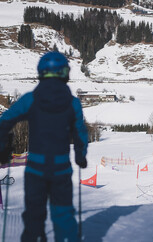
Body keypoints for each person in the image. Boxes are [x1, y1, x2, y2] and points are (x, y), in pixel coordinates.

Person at [0, 51, 88, 241]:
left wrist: (3, 146)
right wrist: (81, 155)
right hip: (61, 169)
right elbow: (80, 133)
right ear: (65, 73)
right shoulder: (73, 103)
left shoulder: (30, 99)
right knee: (63, 215)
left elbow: (5, 121)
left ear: (41, 72)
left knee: (33, 215)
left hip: (35, 169)